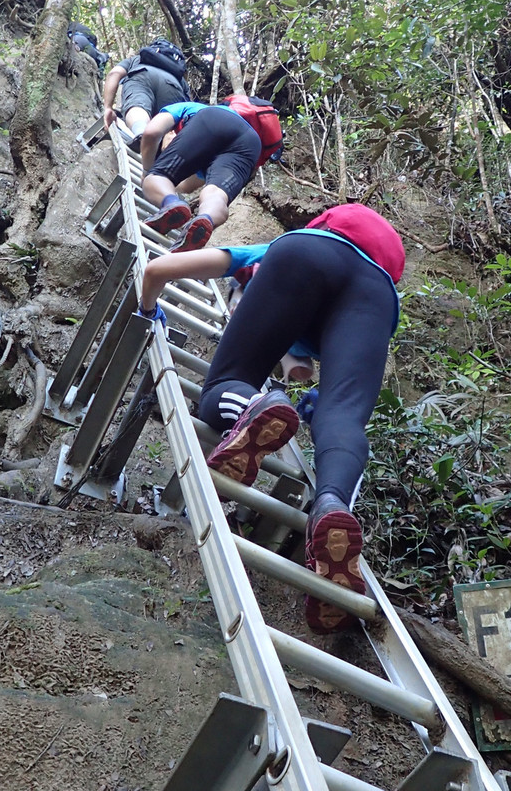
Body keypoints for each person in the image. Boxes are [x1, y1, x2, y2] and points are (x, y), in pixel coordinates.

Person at [137, 204, 406, 633]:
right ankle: (332, 504)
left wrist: (148, 311)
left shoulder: (282, 249)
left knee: (226, 382)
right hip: (377, 295)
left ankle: (248, 408)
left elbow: (160, 269)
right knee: (343, 420)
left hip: (299, 256)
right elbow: (300, 369)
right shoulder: (373, 281)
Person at [138, 102, 262, 253]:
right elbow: (186, 186)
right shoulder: (230, 139)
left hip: (212, 119)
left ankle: (170, 203)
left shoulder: (188, 107)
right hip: (252, 144)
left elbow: (151, 132)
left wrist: (148, 172)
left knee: (156, 177)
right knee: (216, 194)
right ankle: (207, 218)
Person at [102, 40, 191, 150]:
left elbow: (114, 73)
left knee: (138, 104)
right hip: (174, 86)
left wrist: (108, 108)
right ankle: (166, 148)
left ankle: (141, 132)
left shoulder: (137, 59)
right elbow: (187, 109)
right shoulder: (180, 77)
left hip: (142, 74)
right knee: (169, 118)